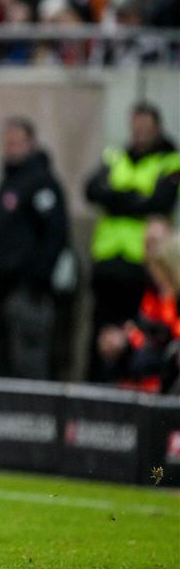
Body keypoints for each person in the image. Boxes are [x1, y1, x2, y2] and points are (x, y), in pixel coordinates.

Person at [85, 103, 180, 382]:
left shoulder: (170, 160)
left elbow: (159, 202)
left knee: (141, 337)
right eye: (135, 128)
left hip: (142, 267)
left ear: (157, 128)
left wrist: (115, 197)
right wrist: (136, 197)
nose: (139, 134)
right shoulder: (117, 156)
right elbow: (92, 190)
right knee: (102, 338)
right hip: (108, 263)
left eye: (145, 129)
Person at [0, 117, 69, 380]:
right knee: (1, 361)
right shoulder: (5, 182)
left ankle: (34, 407)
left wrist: (36, 278)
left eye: (17, 142)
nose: (11, 148)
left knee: (29, 359)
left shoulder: (42, 182)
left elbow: (55, 234)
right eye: (8, 143)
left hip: (26, 289)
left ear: (31, 144)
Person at [96, 218, 179, 393]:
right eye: (147, 244)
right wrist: (125, 338)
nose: (151, 251)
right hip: (145, 370)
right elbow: (142, 331)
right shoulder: (144, 285)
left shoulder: (171, 294)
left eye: (156, 243)